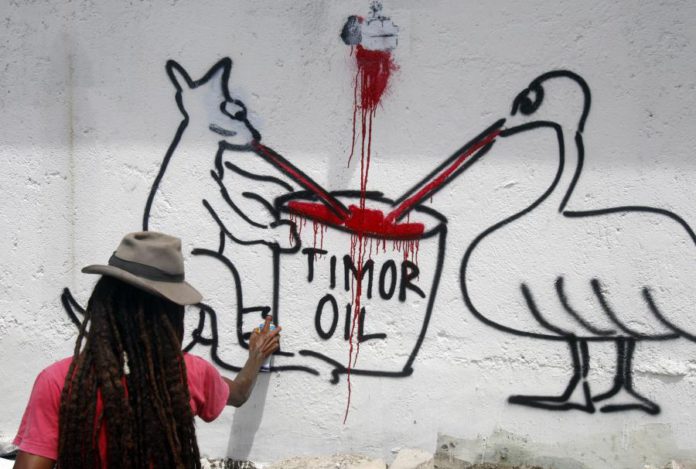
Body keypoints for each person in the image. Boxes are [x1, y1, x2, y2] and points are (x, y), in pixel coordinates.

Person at [12, 231, 281, 469]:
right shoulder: (189, 373)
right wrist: (256, 357)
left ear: (103, 304)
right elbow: (239, 393)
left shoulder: (59, 382)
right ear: (171, 317)